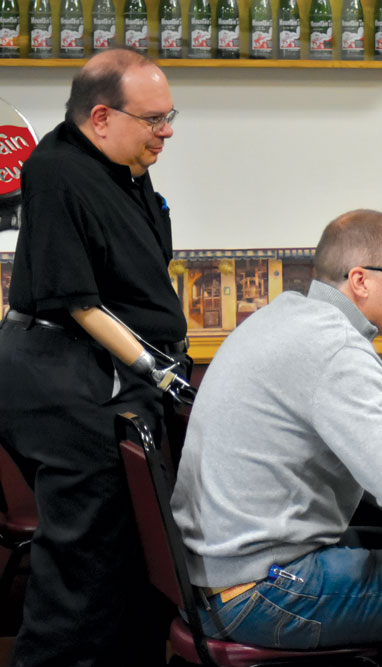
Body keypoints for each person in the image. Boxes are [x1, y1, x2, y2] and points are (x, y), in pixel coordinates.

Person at [171, 210, 382, 667]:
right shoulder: (340, 349)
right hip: (264, 591)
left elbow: (368, 461)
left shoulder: (281, 317)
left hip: (211, 582)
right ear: (361, 281)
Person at [0, 49, 189, 666]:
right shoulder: (57, 170)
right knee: (83, 571)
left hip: (115, 380)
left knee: (138, 564)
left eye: (170, 117)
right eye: (154, 120)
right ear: (101, 116)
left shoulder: (128, 165)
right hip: (69, 380)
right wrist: (160, 373)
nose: (166, 131)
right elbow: (80, 304)